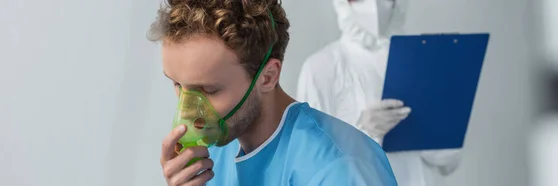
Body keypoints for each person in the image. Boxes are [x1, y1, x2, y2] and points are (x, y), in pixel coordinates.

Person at [147, 0, 398, 185]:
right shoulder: (213, 154)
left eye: (209, 90)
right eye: (178, 85)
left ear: (268, 76)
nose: (187, 111)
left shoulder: (340, 171)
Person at [296, 0, 462, 186]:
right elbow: (310, 166)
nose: (374, 6)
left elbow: (450, 161)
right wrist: (364, 132)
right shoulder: (321, 68)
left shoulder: (421, 61)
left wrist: (430, 133)